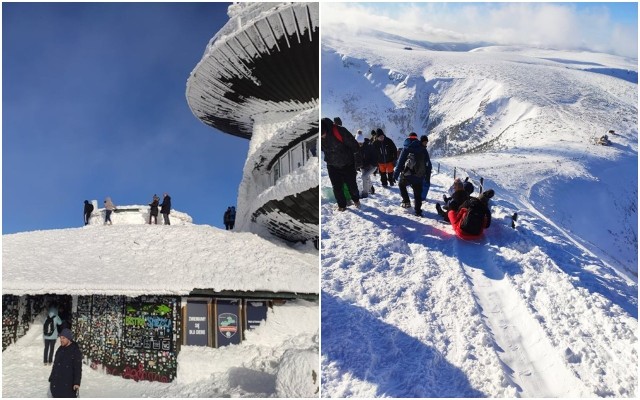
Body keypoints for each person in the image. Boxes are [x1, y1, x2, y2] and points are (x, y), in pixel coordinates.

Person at [320, 117, 360, 211]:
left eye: (323, 134)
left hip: (348, 164)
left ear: (326, 129)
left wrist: (358, 162)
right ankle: (342, 206)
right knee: (337, 187)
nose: (322, 137)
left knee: (352, 185)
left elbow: (354, 145)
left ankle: (356, 200)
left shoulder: (340, 131)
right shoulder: (320, 136)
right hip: (332, 165)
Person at [393, 132, 430, 216]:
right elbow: (428, 164)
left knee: (401, 185)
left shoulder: (406, 148)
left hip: (407, 175)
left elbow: (400, 162)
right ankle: (418, 211)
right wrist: (427, 177)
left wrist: (395, 175)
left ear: (408, 138)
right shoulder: (423, 148)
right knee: (417, 193)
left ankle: (406, 201)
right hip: (419, 176)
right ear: (416, 138)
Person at [49, 328, 82, 398]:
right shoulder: (60, 349)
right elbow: (55, 365)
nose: (61, 340)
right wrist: (52, 378)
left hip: (68, 387)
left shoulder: (75, 351)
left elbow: (78, 368)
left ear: (69, 339)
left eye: (63, 338)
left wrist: (76, 383)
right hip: (56, 385)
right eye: (60, 338)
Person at [355, 130, 377, 198]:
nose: (360, 145)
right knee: (366, 177)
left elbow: (375, 157)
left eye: (361, 143)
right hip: (363, 166)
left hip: (372, 166)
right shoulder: (355, 147)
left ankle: (365, 193)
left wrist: (372, 164)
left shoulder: (369, 146)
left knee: (364, 177)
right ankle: (371, 188)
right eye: (358, 143)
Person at [419, 135, 433, 201]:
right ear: (421, 141)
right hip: (423, 171)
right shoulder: (422, 149)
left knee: (424, 184)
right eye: (424, 142)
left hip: (424, 170)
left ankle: (421, 197)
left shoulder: (423, 149)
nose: (426, 143)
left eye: (426, 142)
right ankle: (422, 198)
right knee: (426, 184)